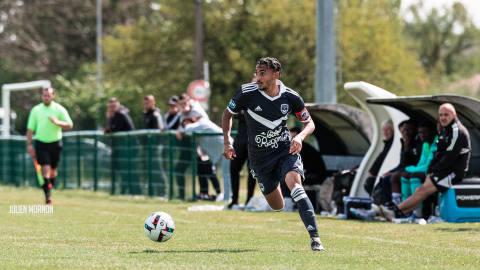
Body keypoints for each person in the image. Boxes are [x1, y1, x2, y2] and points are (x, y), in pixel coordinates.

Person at [222, 57, 324, 251]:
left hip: (284, 150)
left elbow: (309, 123)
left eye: (263, 73)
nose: (258, 77)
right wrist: (227, 142)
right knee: (277, 206)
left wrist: (300, 137)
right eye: (257, 72)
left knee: (296, 187)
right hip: (259, 159)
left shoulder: (291, 97)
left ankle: (315, 239)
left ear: (275, 76)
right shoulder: (246, 93)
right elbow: (227, 114)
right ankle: (274, 179)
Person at [381, 104, 471, 219]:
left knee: (422, 190)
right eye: (441, 115)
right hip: (444, 170)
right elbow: (437, 154)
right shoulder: (445, 130)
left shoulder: (457, 131)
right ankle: (400, 213)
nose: (443, 117)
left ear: (454, 115)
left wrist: (434, 172)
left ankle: (396, 210)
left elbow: (449, 156)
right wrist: (430, 171)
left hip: (453, 173)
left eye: (446, 115)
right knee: (420, 190)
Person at [26, 87, 73, 204]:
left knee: (53, 170)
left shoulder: (59, 109)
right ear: (42, 96)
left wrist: (58, 122)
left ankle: (48, 188)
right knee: (45, 168)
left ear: (53, 96)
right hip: (41, 143)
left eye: (48, 95)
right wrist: (28, 143)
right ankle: (47, 195)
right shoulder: (36, 110)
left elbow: (69, 125)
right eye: (44, 96)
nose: (46, 98)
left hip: (55, 143)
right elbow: (30, 129)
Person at [178, 117, 229, 201]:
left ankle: (222, 195)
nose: (187, 126)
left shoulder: (202, 123)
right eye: (184, 125)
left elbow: (188, 129)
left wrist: (181, 129)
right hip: (211, 154)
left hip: (224, 149)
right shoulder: (199, 136)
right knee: (202, 173)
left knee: (218, 174)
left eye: (188, 123)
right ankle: (204, 194)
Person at [399, 120, 438, 218]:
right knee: (405, 175)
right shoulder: (425, 144)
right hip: (428, 173)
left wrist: (408, 168)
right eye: (420, 133)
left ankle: (417, 214)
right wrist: (409, 169)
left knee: (414, 175)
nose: (422, 135)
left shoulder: (437, 142)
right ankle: (406, 213)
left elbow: (427, 166)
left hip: (437, 174)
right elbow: (421, 163)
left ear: (433, 132)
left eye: (425, 132)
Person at [104, 98, 135, 194]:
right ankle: (121, 190)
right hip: (118, 148)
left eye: (113, 106)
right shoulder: (114, 116)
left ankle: (127, 191)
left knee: (125, 170)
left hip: (125, 148)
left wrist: (109, 121)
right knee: (117, 169)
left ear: (118, 106)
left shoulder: (121, 115)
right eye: (110, 107)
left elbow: (115, 130)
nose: (112, 108)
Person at [389, 119, 423, 205]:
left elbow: (419, 163)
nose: (406, 133)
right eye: (404, 131)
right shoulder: (408, 143)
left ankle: (412, 209)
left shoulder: (420, 143)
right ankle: (396, 204)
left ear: (416, 130)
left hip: (421, 172)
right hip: (413, 170)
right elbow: (404, 164)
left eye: (409, 130)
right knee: (392, 177)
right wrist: (406, 149)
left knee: (401, 176)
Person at [363, 119, 394, 196]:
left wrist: (372, 173)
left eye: (388, 130)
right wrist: (371, 172)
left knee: (370, 183)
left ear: (393, 130)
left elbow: (381, 158)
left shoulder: (393, 143)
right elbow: (380, 158)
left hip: (387, 173)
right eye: (384, 130)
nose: (385, 132)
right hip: (379, 174)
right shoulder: (388, 143)